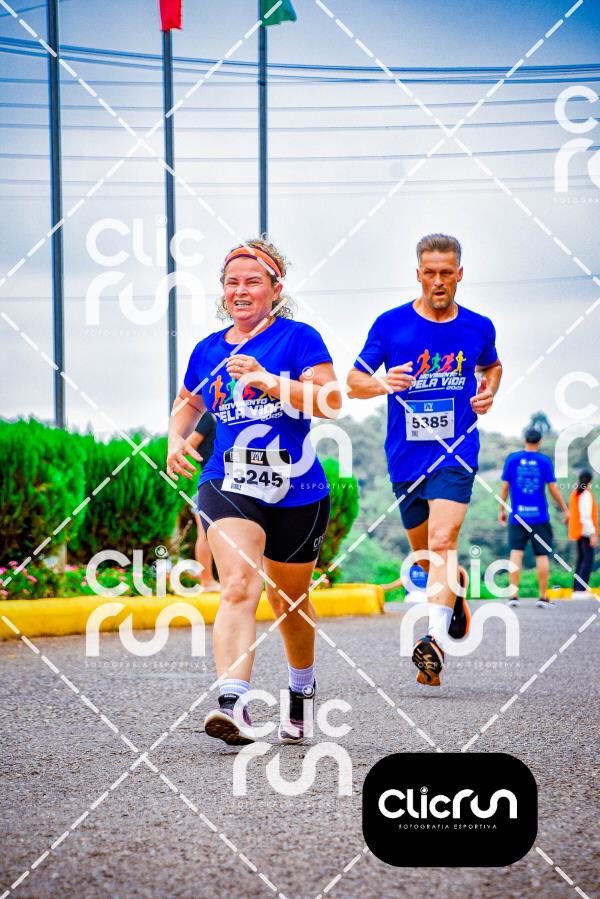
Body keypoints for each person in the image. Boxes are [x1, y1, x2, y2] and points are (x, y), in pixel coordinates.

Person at [166, 239, 341, 745]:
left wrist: (268, 381)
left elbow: (330, 401)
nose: (240, 291)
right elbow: (188, 403)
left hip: (298, 488)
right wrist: (175, 438)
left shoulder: (299, 338)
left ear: (275, 289)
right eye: (232, 282)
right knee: (239, 584)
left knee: (290, 603)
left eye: (252, 282)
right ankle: (233, 704)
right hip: (227, 480)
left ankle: (301, 690)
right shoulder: (208, 349)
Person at [347, 233, 502, 686]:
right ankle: (454, 595)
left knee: (442, 540)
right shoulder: (390, 325)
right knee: (424, 558)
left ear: (459, 274)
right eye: (430, 273)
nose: (438, 281)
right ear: (418, 274)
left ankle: (432, 641)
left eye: (446, 273)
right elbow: (353, 382)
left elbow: (491, 365)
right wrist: (383, 383)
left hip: (456, 452)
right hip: (406, 457)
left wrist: (490, 390)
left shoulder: (478, 327)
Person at [499, 427, 569, 609]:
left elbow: (505, 487)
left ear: (525, 440)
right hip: (539, 517)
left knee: (516, 552)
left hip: (518, 517)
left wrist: (502, 509)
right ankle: (543, 597)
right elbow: (553, 488)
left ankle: (513, 595)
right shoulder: (544, 461)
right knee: (542, 554)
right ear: (539, 442)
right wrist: (565, 509)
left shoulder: (513, 459)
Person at [187, 411, 221, 592]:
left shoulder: (214, 416)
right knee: (205, 533)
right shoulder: (207, 416)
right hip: (211, 481)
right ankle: (206, 581)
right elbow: (189, 444)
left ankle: (209, 580)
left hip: (216, 481)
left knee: (209, 534)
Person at [568, 469, 597, 598]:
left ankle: (577, 588)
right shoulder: (586, 494)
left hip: (578, 531)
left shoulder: (576, 493)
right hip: (585, 531)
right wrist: (592, 534)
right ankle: (581, 589)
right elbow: (586, 517)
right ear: (590, 481)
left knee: (581, 560)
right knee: (587, 560)